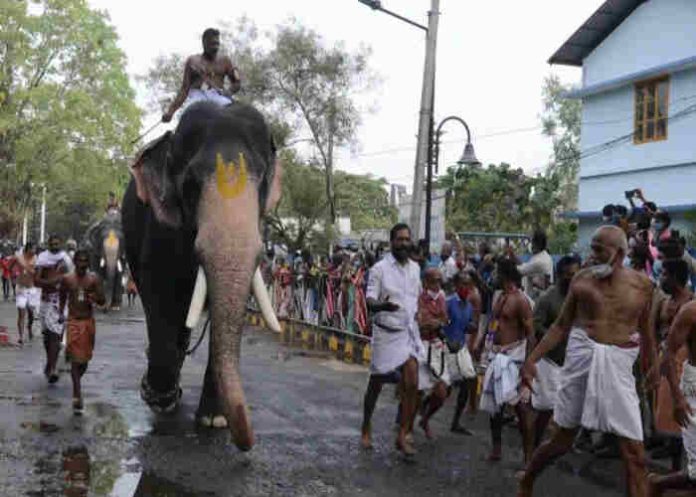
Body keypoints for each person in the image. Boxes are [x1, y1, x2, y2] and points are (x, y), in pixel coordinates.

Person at [518, 226, 658, 497]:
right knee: (561, 441)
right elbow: (560, 327)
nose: (591, 255)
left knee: (635, 454)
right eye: (591, 248)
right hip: (582, 358)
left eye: (598, 249)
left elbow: (647, 333)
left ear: (618, 253)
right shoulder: (582, 280)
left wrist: (651, 367)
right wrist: (531, 360)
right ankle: (528, 478)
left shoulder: (642, 286)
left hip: (618, 365)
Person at [360, 223, 423, 456]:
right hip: (385, 332)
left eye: (407, 239)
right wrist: (383, 305)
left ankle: (403, 434)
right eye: (400, 239)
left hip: (407, 332)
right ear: (391, 241)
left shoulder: (416, 268)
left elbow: (417, 298)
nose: (405, 243)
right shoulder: (380, 269)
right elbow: (370, 301)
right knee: (376, 384)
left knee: (413, 382)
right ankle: (366, 425)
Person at [480, 258, 536, 463]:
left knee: (521, 409)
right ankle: (496, 449)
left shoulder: (521, 300)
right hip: (498, 356)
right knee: (495, 407)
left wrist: (528, 364)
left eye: (496, 272)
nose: (493, 276)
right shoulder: (501, 297)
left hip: (515, 358)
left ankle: (528, 457)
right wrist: (482, 346)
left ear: (505, 275)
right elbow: (493, 324)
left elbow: (531, 334)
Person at [530, 255, 581, 448]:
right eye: (569, 275)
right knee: (545, 410)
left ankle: (559, 445)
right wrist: (556, 335)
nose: (573, 278)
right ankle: (534, 446)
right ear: (559, 275)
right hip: (549, 361)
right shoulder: (547, 299)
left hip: (570, 361)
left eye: (576, 274)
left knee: (566, 408)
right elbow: (536, 326)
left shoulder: (578, 297)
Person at [648, 293, 696, 495]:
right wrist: (677, 399)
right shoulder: (691, 311)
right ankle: (657, 484)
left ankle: (659, 484)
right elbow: (668, 353)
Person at [652, 259, 692, 468]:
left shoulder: (690, 303)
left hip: (684, 363)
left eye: (665, 274)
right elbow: (656, 331)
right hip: (666, 360)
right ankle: (676, 464)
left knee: (683, 414)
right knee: (668, 412)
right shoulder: (665, 302)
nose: (661, 278)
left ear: (676, 278)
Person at [59, 250, 105, 414]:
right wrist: (60, 312)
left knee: (84, 362)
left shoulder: (93, 279)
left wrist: (95, 298)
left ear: (88, 263)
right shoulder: (67, 279)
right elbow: (62, 296)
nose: (82, 264)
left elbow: (102, 300)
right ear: (75, 261)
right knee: (75, 361)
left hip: (88, 323)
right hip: (73, 322)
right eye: (80, 261)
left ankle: (76, 382)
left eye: (85, 261)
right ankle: (77, 394)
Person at [162, 28, 241, 123]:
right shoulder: (192, 61)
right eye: (212, 44)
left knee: (234, 117)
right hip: (197, 96)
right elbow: (184, 89)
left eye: (217, 44)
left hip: (218, 96)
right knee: (189, 117)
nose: (215, 47)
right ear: (204, 43)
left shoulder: (225, 61)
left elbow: (237, 83)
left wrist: (228, 92)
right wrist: (171, 112)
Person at [416, 267, 450, 439]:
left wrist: (436, 322)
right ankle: (406, 426)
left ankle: (425, 418)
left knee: (442, 392)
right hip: (421, 345)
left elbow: (444, 320)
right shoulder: (420, 298)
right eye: (434, 281)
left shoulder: (441, 297)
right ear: (426, 282)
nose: (437, 284)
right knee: (417, 389)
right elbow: (423, 323)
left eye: (439, 281)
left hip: (436, 346)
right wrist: (437, 322)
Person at [444, 272, 478, 434]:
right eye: (463, 284)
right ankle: (424, 410)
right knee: (444, 388)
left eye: (469, 285)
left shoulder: (469, 306)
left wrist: (471, 326)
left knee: (469, 380)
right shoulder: (449, 303)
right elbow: (442, 324)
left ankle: (456, 422)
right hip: (446, 348)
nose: (467, 288)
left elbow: (467, 324)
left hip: (461, 348)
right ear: (456, 285)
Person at [35, 235, 72, 383]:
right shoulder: (42, 257)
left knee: (55, 336)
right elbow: (36, 281)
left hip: (59, 302)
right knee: (46, 336)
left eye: (57, 244)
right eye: (52, 244)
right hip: (44, 301)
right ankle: (50, 363)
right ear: (48, 244)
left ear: (61, 244)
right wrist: (52, 281)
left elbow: (69, 279)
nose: (55, 246)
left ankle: (52, 369)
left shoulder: (66, 259)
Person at [514, 230, 554, 302]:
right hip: (539, 298)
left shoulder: (539, 261)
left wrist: (506, 262)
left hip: (535, 301)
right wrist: (514, 258)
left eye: (532, 242)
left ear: (536, 243)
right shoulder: (544, 256)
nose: (531, 244)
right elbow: (527, 266)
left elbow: (520, 270)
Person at [14, 243, 39, 344]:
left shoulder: (36, 258)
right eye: (33, 249)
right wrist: (13, 276)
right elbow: (10, 265)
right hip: (21, 289)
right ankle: (21, 337)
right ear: (28, 250)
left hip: (32, 289)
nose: (34, 251)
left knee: (31, 314)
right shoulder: (19, 257)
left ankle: (29, 326)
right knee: (21, 314)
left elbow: (38, 272)